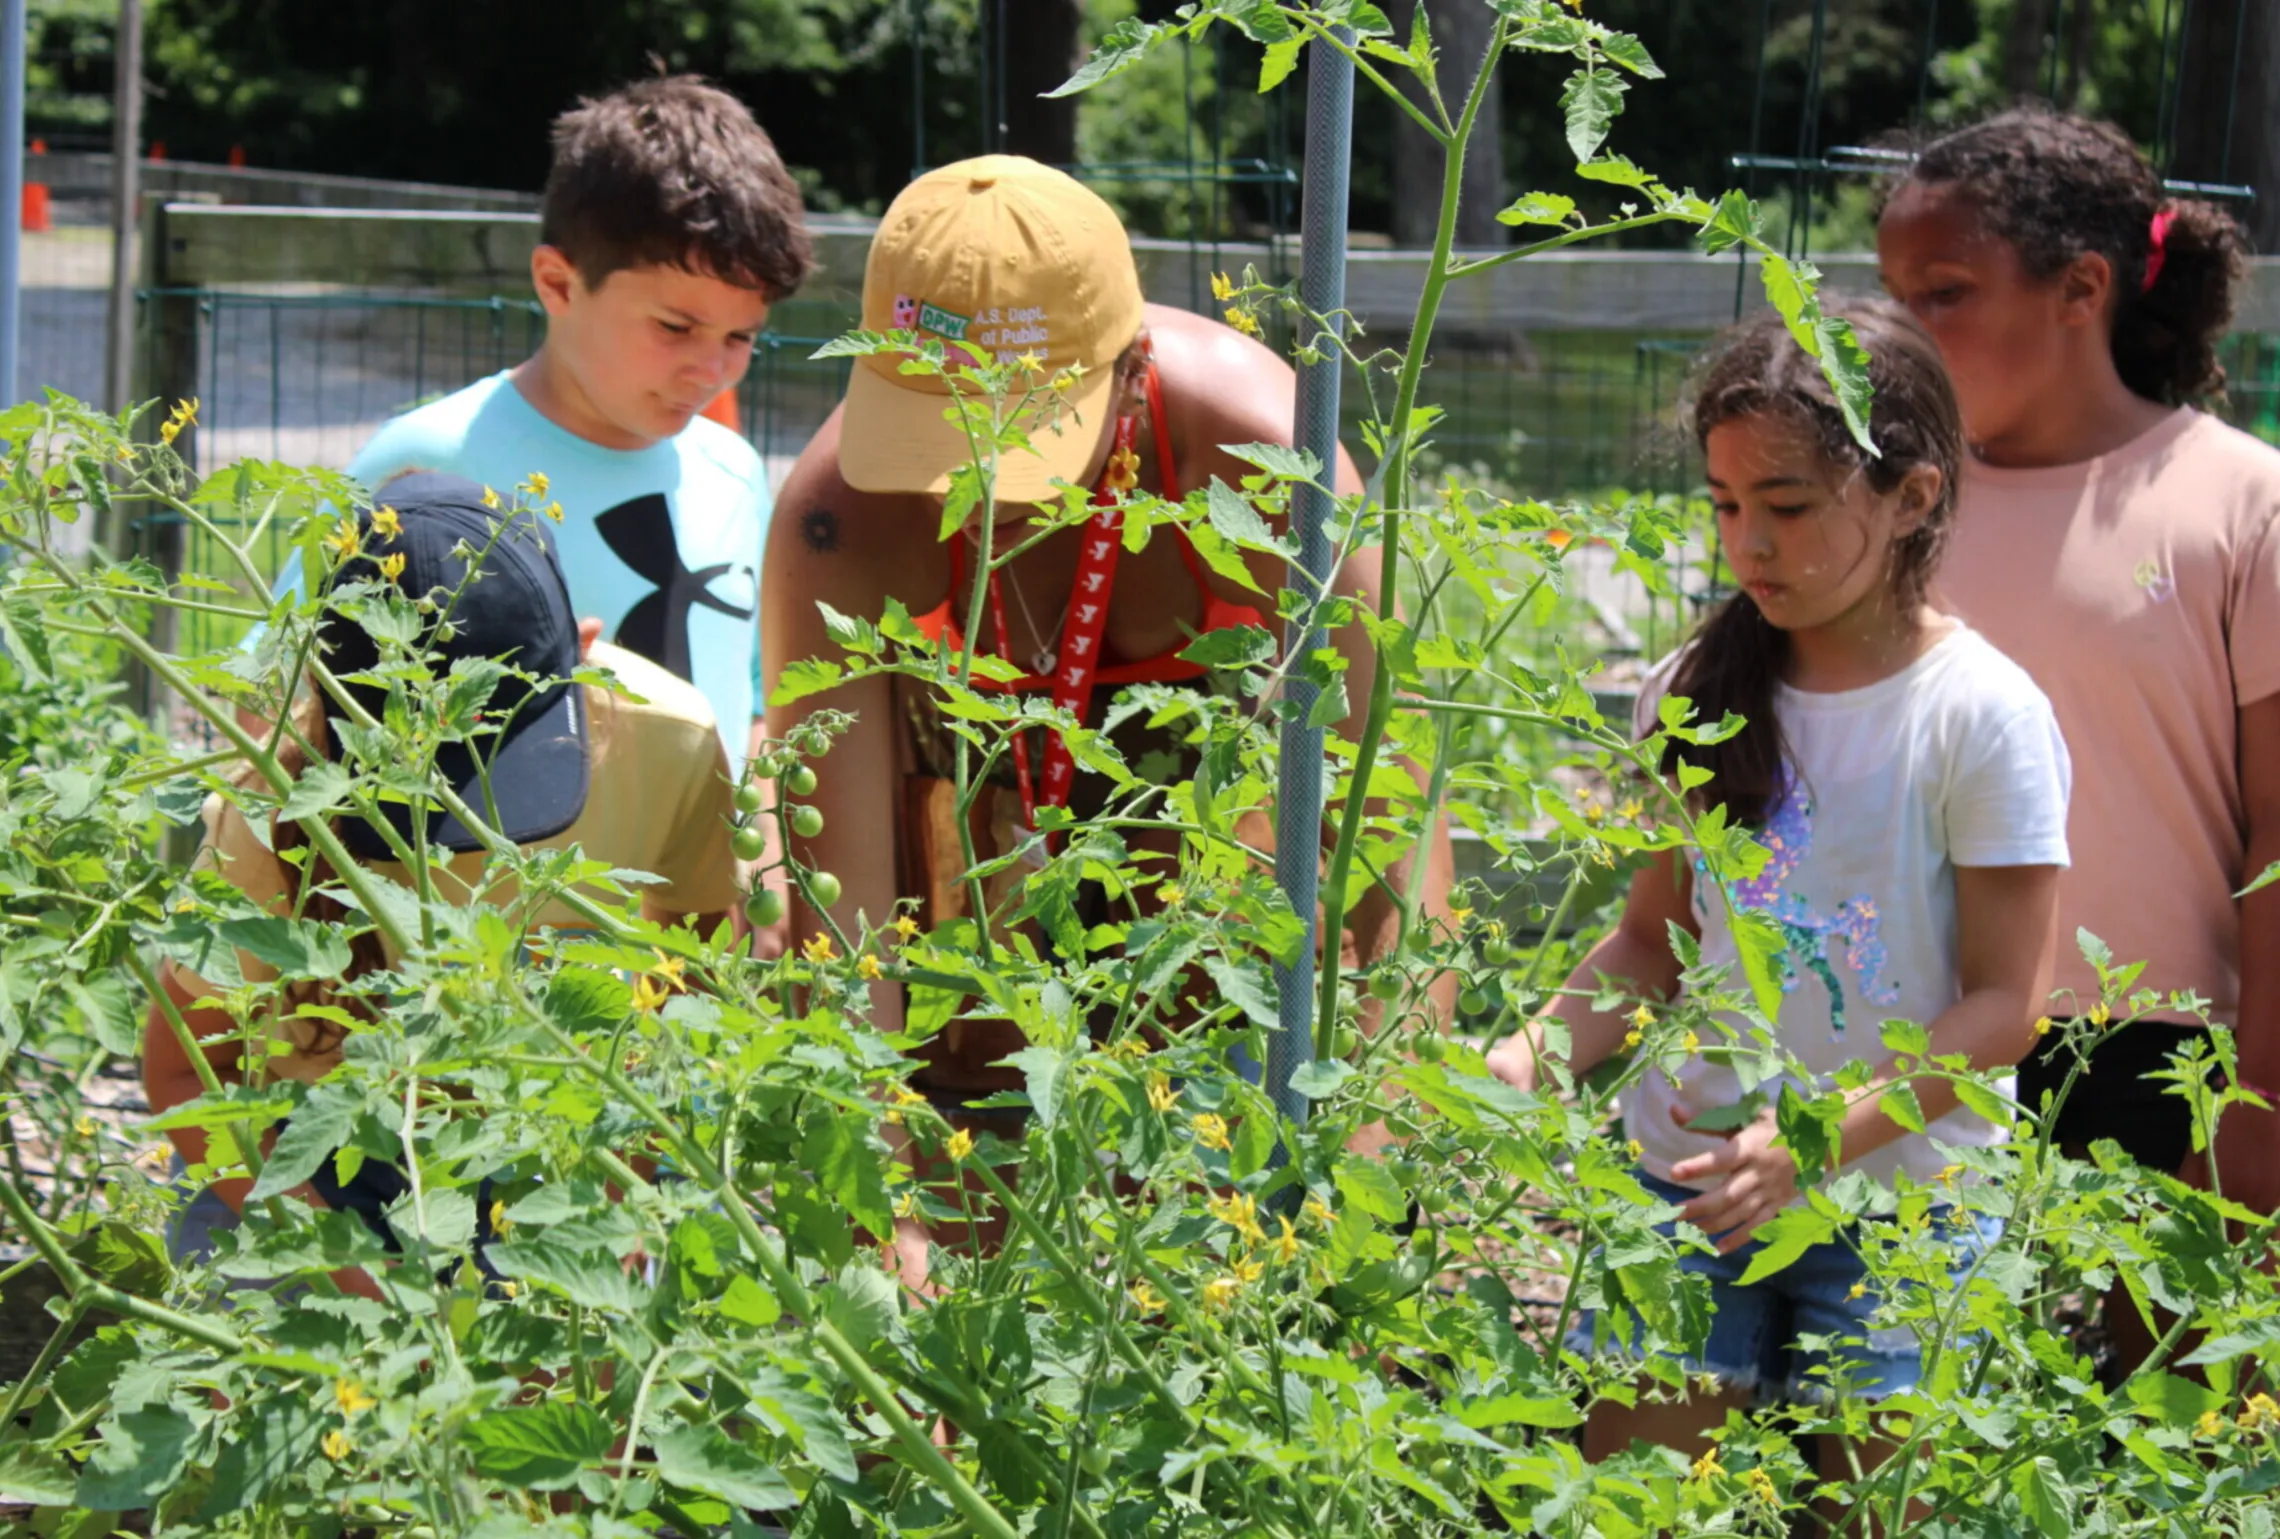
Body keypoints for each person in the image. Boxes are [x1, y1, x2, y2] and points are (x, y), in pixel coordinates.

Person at [762, 156, 1452, 1277]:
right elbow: (840, 932)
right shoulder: (836, 522)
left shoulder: (1276, 471)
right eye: (930, 440)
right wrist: (879, 1214)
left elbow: (1389, 848)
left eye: (1015, 446)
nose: (965, 489)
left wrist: (1360, 1178)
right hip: (970, 1044)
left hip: (1235, 1048)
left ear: (1129, 372)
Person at [1485, 303, 2070, 1465]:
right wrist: (1527, 1059)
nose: (1747, 544)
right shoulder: (1693, 688)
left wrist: (1814, 1141)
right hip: (1687, 1185)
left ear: (1915, 496)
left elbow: (2008, 1010)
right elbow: (1655, 940)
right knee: (1642, 1498)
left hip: (1907, 1209)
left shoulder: (1982, 717)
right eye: (1726, 505)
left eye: (1788, 507)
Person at [148, 472, 740, 1289]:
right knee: (253, 1358)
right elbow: (184, 1071)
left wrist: (618, 1203)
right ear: (327, 700)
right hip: (308, 1159)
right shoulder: (272, 807)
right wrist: (354, 1276)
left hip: (560, 1139)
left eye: (501, 766)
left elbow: (694, 989)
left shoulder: (669, 740)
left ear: (589, 646)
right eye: (411, 782)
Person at [1876, 111, 2280, 1235]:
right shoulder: (1886, 507)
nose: (1904, 330)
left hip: (2168, 1065)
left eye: (1944, 293)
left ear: (2082, 288)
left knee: (2165, 1407)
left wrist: (2261, 1104)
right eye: (1895, 296)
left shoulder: (2245, 505)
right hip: (1912, 1048)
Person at [314, 75, 811, 781]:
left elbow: (756, 705)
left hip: (700, 891)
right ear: (557, 284)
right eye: (675, 326)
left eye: (741, 336)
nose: (711, 370)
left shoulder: (733, 471)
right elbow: (280, 697)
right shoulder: (427, 462)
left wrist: (753, 863)